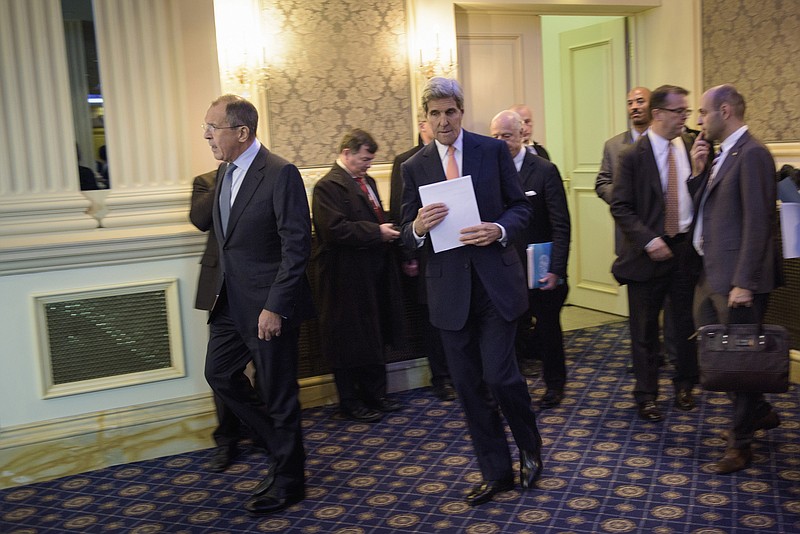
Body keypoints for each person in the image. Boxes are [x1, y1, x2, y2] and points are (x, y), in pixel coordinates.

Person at [400, 77, 542, 506]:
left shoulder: (492, 150)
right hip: (449, 292)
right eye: (435, 113)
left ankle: (530, 448)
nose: (443, 121)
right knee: (468, 387)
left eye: (451, 112)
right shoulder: (412, 166)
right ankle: (495, 471)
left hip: (495, 284)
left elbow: (521, 208)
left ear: (461, 112)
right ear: (425, 118)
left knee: (501, 376)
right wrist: (418, 228)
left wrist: (498, 228)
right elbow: (406, 233)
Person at [202, 94, 314, 515]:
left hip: (269, 307)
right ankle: (282, 447)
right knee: (219, 374)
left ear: (242, 132)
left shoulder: (280, 173)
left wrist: (276, 306)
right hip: (229, 304)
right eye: (206, 128)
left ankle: (289, 482)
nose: (208, 136)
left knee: (278, 393)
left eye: (214, 128)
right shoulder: (223, 172)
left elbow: (297, 246)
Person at [689, 84, 781, 474]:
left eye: (703, 113)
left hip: (737, 280)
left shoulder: (754, 154)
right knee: (717, 357)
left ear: (724, 111)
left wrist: (744, 281)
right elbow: (709, 210)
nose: (697, 121)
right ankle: (757, 410)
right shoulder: (723, 154)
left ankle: (741, 445)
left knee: (739, 360)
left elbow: (759, 223)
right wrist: (697, 173)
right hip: (712, 274)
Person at [610, 85, 700, 422]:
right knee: (645, 330)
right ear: (659, 114)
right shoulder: (633, 155)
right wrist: (649, 240)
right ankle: (646, 395)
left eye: (686, 113)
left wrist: (702, 171)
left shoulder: (691, 146)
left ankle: (685, 384)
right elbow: (620, 206)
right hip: (648, 253)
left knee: (684, 323)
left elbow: (699, 195)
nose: (684, 119)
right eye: (679, 112)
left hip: (685, 249)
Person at [312, 129, 404, 423]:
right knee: (347, 341)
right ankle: (350, 402)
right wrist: (376, 232)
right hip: (343, 277)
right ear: (347, 153)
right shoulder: (328, 186)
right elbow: (333, 229)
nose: (368, 166)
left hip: (372, 272)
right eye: (364, 159)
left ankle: (376, 395)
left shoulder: (368, 182)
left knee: (373, 335)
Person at [490, 110, 571, 409]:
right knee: (509, 334)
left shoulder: (544, 170)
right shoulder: (491, 170)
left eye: (506, 136)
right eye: (495, 136)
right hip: (504, 268)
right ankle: (511, 388)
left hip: (540, 267)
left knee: (548, 330)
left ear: (522, 134)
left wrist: (556, 270)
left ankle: (555, 386)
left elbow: (561, 224)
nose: (500, 142)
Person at [189, 169, 258, 472]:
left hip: (257, 285)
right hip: (221, 288)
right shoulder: (206, 182)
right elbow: (199, 220)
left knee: (266, 366)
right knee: (221, 370)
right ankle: (227, 438)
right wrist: (225, 180)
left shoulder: (265, 179)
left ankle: (261, 429)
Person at [389, 113, 455, 402]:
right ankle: (441, 377)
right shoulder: (406, 161)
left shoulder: (459, 155)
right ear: (422, 123)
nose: (442, 123)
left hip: (462, 248)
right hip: (427, 254)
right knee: (433, 320)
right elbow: (400, 211)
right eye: (434, 117)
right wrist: (408, 254)